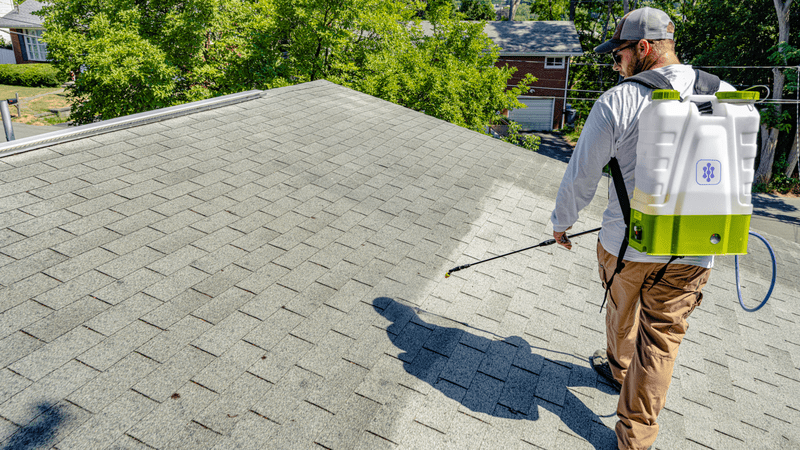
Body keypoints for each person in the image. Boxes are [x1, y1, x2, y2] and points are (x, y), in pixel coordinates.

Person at [549, 7, 735, 450]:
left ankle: (617, 368)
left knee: (621, 308)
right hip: (693, 249)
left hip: (626, 245)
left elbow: (581, 174)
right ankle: (635, 439)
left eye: (619, 55)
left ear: (644, 48)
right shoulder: (726, 93)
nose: (617, 64)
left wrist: (563, 223)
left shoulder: (619, 100)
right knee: (662, 341)